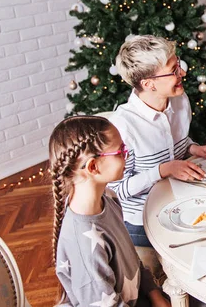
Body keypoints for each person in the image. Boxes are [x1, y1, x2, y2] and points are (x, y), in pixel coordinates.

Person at [109, 35, 206, 249]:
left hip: (180, 199)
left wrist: (193, 147)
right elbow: (116, 190)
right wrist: (163, 169)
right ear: (149, 84)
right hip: (143, 219)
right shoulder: (123, 126)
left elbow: (175, 144)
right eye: (174, 70)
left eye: (178, 64)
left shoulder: (180, 100)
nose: (182, 72)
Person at [49, 116, 170, 306]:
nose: (126, 154)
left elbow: (130, 256)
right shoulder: (84, 244)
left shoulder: (109, 197)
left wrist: (154, 292)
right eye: (120, 151)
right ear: (93, 166)